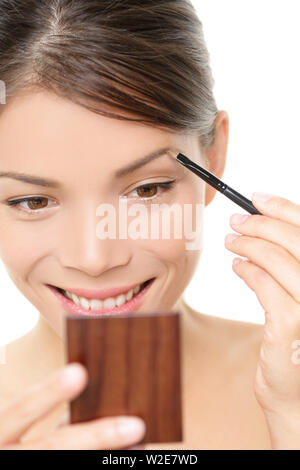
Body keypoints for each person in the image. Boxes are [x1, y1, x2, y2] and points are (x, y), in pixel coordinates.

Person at [0, 0, 299, 450]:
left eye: (147, 190)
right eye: (33, 200)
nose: (94, 259)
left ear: (213, 157)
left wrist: (290, 417)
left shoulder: (288, 388)